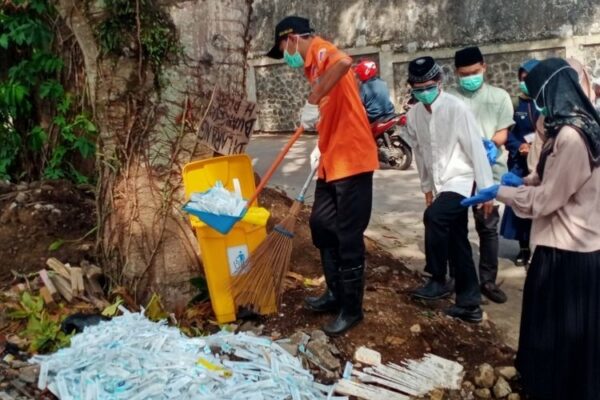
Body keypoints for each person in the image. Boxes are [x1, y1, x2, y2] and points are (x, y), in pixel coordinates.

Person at [462, 57, 600, 400]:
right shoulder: (570, 127)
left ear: (553, 91)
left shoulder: (572, 136)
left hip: (569, 250)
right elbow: (549, 177)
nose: (536, 105)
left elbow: (546, 200)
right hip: (563, 244)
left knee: (561, 333)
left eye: (538, 96)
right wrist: (521, 179)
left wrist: (503, 192)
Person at [266, 16, 378, 335]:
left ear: (291, 38)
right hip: (332, 159)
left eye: (281, 47)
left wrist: (312, 100)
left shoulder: (319, 50)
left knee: (348, 234)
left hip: (352, 159)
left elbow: (344, 61)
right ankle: (334, 293)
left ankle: (351, 310)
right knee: (321, 224)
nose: (284, 55)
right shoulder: (312, 69)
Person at [402, 56, 495, 323]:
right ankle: (469, 305)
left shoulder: (457, 108)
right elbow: (420, 153)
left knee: (434, 218)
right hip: (439, 184)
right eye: (418, 88)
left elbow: (475, 148)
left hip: (461, 180)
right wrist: (426, 188)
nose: (424, 92)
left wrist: (487, 188)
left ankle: (437, 277)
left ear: (439, 82)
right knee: (458, 241)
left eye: (428, 86)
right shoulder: (414, 115)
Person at [448, 46, 514, 304]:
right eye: (465, 74)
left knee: (487, 226)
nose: (470, 77)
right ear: (457, 73)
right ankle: (457, 275)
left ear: (484, 67)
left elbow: (503, 132)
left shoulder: (499, 97)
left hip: (489, 169)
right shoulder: (450, 97)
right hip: (458, 171)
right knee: (456, 226)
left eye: (475, 72)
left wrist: (489, 145)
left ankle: (487, 279)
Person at [500, 59, 540, 267]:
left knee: (541, 205)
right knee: (520, 207)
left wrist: (537, 147)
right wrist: (519, 146)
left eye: (529, 79)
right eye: (522, 79)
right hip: (519, 164)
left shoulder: (545, 102)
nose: (524, 83)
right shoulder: (516, 104)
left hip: (543, 164)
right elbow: (508, 131)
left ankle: (541, 248)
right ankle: (523, 249)